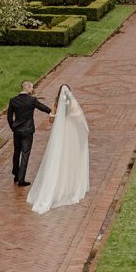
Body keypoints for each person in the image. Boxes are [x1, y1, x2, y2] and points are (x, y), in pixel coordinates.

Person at [27, 83, 89, 214]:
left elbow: (51, 119)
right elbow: (78, 116)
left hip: (60, 134)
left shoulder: (56, 103)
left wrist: (56, 117)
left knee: (58, 157)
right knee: (70, 158)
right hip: (70, 134)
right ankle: (68, 186)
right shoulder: (72, 103)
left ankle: (57, 186)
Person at [7, 81, 51, 187]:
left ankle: (16, 174)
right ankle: (21, 179)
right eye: (32, 88)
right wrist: (52, 111)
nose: (32, 90)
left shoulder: (13, 100)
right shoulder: (32, 100)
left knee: (16, 152)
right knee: (25, 153)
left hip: (17, 131)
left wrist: (13, 127)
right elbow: (43, 108)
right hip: (27, 131)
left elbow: (9, 117)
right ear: (28, 88)